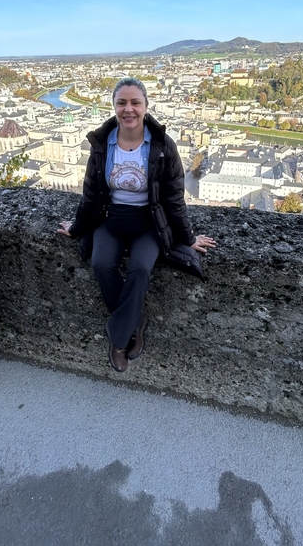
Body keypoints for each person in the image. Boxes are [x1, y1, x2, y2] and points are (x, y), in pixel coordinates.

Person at [58, 78, 216, 372]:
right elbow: (91, 192)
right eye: (122, 103)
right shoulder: (102, 144)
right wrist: (77, 227)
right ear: (114, 106)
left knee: (141, 269)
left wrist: (188, 237)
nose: (128, 109)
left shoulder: (161, 145)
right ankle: (135, 324)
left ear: (145, 107)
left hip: (149, 221)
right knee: (101, 264)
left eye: (135, 103)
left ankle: (119, 340)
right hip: (111, 217)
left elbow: (173, 197)